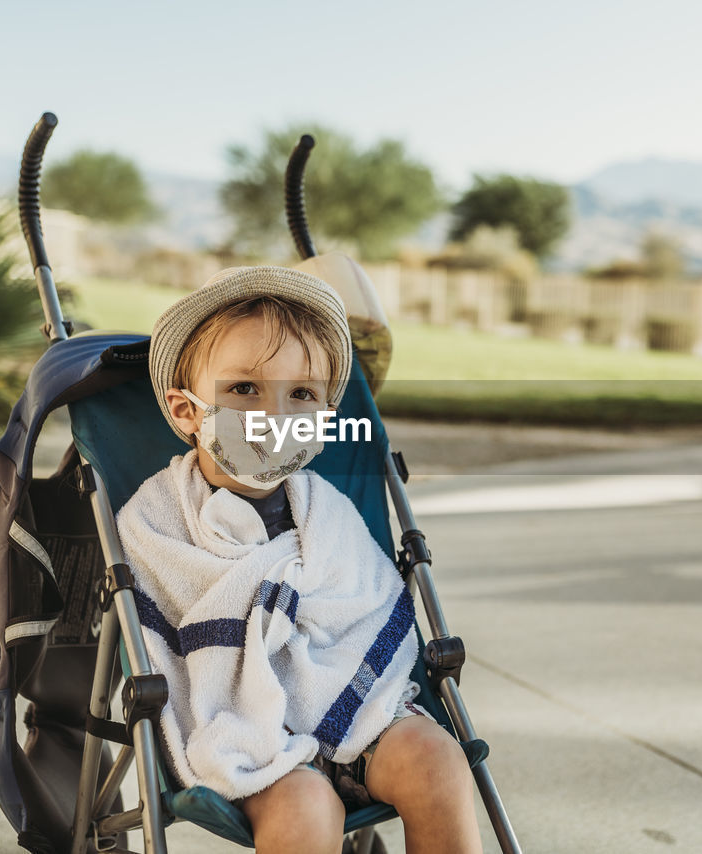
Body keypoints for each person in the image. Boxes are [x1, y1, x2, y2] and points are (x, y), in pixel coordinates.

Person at [116, 266, 483, 854]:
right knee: (309, 807)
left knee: (438, 762)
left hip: (358, 716)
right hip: (246, 734)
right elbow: (170, 640)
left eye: (303, 394)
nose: (277, 415)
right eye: (244, 389)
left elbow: (360, 608)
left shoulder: (327, 511)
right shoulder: (158, 519)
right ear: (186, 412)